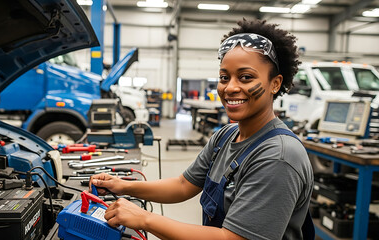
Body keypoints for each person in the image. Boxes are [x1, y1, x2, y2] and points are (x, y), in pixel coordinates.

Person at [90, 18, 314, 240]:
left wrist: (145, 218)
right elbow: (182, 185)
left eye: (246, 77)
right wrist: (122, 186)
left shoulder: (278, 157)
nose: (230, 87)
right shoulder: (226, 136)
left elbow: (234, 238)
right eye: (224, 77)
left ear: (275, 83)